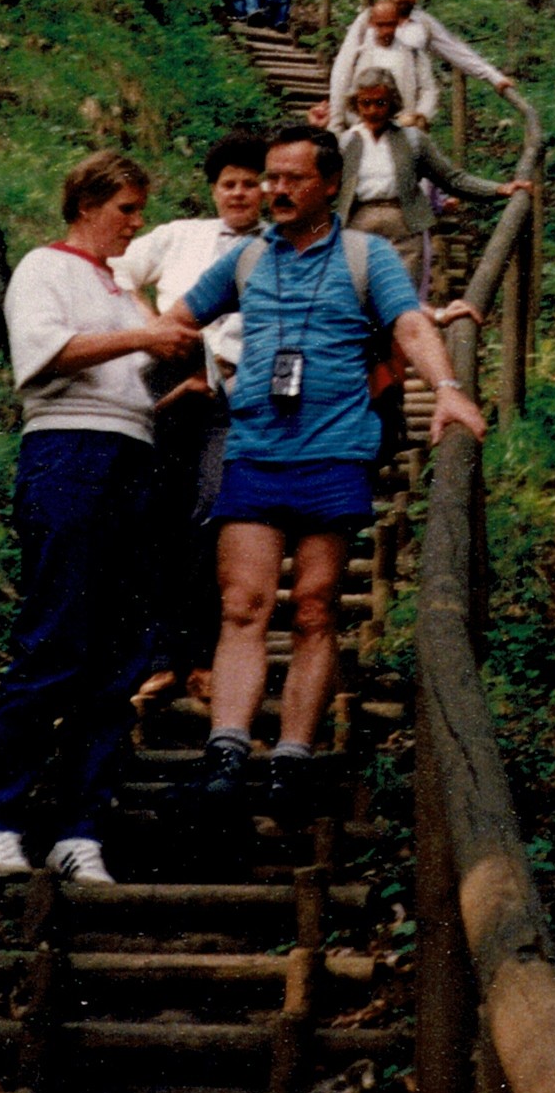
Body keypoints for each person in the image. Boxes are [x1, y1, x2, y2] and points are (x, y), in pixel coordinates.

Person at [163, 128, 486, 809]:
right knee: (243, 605)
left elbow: (408, 326)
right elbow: (177, 320)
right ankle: (226, 750)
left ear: (329, 185)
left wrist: (448, 390)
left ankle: (292, 755)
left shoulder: (367, 257)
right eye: (271, 177)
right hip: (255, 451)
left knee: (314, 608)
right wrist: (193, 372)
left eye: (293, 179)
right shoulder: (248, 259)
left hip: (335, 451)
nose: (276, 190)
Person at [0, 154, 203, 887]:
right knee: (55, 635)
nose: (136, 223)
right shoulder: (47, 267)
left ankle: (79, 826)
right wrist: (145, 339)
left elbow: (125, 382)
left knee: (117, 654)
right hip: (67, 455)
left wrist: (173, 387)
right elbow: (45, 356)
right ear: (88, 204)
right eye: (126, 209)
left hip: (132, 459)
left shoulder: (121, 290)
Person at [119, 132, 269, 695]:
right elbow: (116, 269)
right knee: (156, 515)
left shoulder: (278, 248)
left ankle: (203, 655)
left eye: (249, 184)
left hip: (231, 400)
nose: (238, 194)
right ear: (213, 190)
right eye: (228, 184)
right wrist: (153, 327)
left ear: (264, 189)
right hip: (164, 388)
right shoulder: (180, 236)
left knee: (210, 514)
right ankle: (160, 656)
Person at [338, 63, 530, 291]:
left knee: (401, 296)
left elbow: (451, 178)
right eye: (365, 103)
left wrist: (498, 189)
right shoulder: (346, 142)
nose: (372, 111)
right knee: (358, 294)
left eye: (380, 103)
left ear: (392, 103)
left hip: (404, 223)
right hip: (358, 223)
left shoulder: (412, 140)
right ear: (356, 104)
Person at [322, 0, 511, 128]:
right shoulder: (368, 19)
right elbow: (344, 65)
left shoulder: (424, 25)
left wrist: (493, 76)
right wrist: (336, 119)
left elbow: (456, 51)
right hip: (363, 114)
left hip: (404, 117)